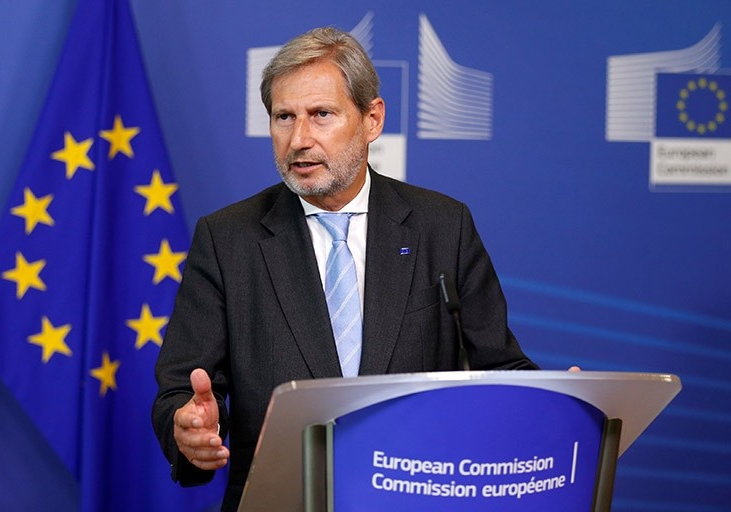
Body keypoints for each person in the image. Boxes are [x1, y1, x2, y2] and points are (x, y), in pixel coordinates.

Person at [152, 26, 538, 511]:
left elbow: (500, 369)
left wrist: (556, 406)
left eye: (320, 115)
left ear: (371, 119)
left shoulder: (442, 226)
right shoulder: (228, 239)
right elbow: (181, 394)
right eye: (284, 117)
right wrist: (190, 430)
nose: (298, 139)